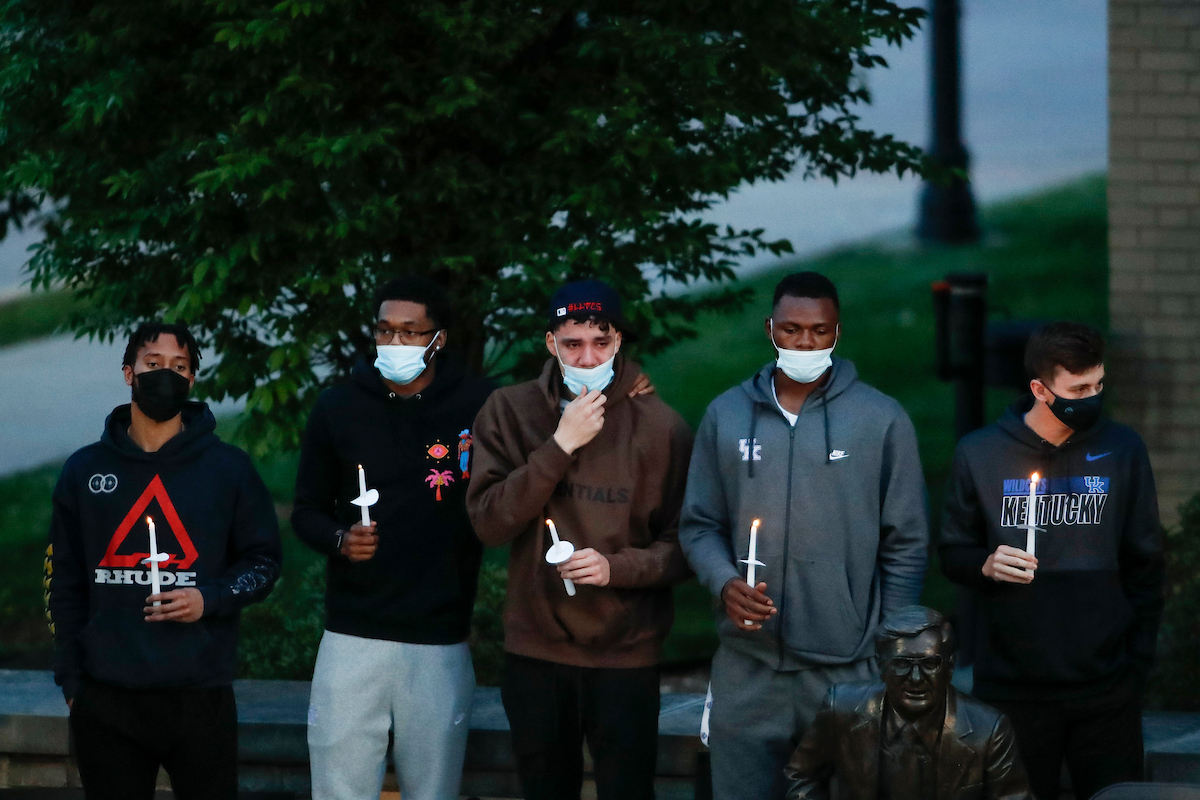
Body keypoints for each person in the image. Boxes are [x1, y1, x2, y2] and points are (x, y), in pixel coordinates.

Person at [679, 271, 929, 800]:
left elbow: (906, 542)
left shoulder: (881, 419)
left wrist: (889, 648)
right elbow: (700, 524)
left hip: (848, 672)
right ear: (770, 328)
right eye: (791, 330)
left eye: (819, 331)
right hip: (748, 669)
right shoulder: (726, 415)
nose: (805, 343)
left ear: (838, 332)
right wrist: (725, 583)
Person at [467, 278, 693, 800]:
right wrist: (560, 443)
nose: (587, 357)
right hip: (537, 650)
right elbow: (489, 523)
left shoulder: (661, 427)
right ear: (550, 343)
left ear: (619, 343)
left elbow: (685, 546)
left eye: (601, 341)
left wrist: (616, 568)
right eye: (572, 343)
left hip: (626, 654)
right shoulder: (509, 411)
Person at [46, 321, 282, 800]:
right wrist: (73, 680)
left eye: (180, 367)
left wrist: (209, 598)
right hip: (106, 696)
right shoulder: (86, 470)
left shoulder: (227, 468)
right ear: (128, 372)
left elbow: (264, 562)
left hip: (200, 693)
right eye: (153, 365)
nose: (166, 376)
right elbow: (63, 581)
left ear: (193, 380)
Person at [940, 321, 1164, 800]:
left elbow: (1146, 560)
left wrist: (1136, 664)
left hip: (1106, 689)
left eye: (1099, 384)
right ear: (1040, 389)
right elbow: (952, 553)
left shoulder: (1122, 449)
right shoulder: (980, 453)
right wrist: (985, 565)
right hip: (1014, 688)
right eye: (1079, 388)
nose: (1092, 397)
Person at [292, 276, 495, 800]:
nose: (395, 343)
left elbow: (552, 417)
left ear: (438, 339)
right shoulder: (338, 407)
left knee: (434, 790)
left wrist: (627, 386)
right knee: (339, 789)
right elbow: (306, 511)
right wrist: (340, 539)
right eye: (384, 330)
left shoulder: (480, 405)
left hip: (440, 635)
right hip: (353, 634)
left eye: (410, 332)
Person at [784, 606, 1031, 800]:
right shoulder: (842, 708)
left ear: (950, 668)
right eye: (902, 663)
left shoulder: (988, 730)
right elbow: (802, 776)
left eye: (929, 664)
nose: (915, 679)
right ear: (881, 667)